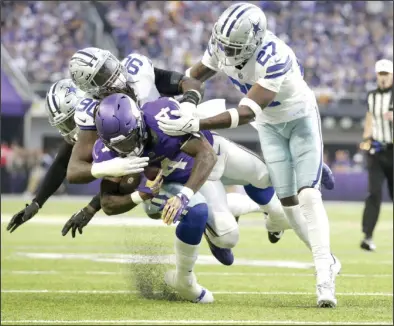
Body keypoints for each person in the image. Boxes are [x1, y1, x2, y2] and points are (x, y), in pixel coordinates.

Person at [157, 3, 340, 308]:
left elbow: (245, 112)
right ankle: (329, 260)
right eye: (223, 45)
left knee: (308, 195)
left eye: (233, 48)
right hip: (269, 127)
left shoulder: (275, 55)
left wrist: (196, 121)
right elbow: (193, 75)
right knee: (289, 204)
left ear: (253, 42)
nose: (225, 52)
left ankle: (324, 276)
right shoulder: (221, 45)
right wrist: (171, 99)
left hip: (298, 120)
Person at [359, 59, 393, 251]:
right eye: (380, 74)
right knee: (374, 194)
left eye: (386, 74)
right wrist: (366, 138)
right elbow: (370, 117)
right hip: (377, 152)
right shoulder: (371, 96)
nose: (383, 78)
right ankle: (367, 236)